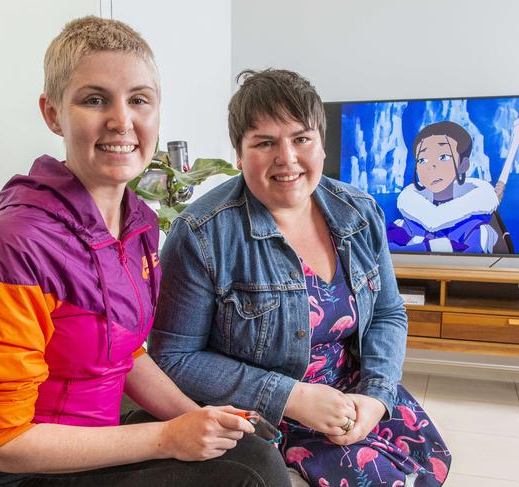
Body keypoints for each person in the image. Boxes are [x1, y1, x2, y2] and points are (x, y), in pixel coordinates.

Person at [0, 17, 289, 486]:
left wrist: (200, 417)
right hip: (20, 469)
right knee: (249, 475)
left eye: (139, 100)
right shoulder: (15, 247)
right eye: (94, 100)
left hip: (99, 439)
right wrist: (167, 438)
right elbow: (3, 444)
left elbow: (127, 351)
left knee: (250, 449)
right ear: (52, 113)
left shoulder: (136, 223)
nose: (122, 120)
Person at [150, 69, 451, 487]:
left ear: (321, 145)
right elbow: (172, 359)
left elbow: (387, 313)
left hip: (355, 398)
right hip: (266, 418)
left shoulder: (360, 212)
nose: (286, 158)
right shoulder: (202, 234)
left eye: (301, 138)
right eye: (264, 142)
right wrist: (291, 396)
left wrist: (375, 397)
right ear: (239, 153)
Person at [387, 119, 519, 254]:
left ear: (463, 165)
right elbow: (383, 252)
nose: (431, 166)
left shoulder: (479, 228)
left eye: (443, 157)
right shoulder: (404, 224)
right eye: (422, 160)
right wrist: (439, 245)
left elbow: (473, 259)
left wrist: (417, 243)